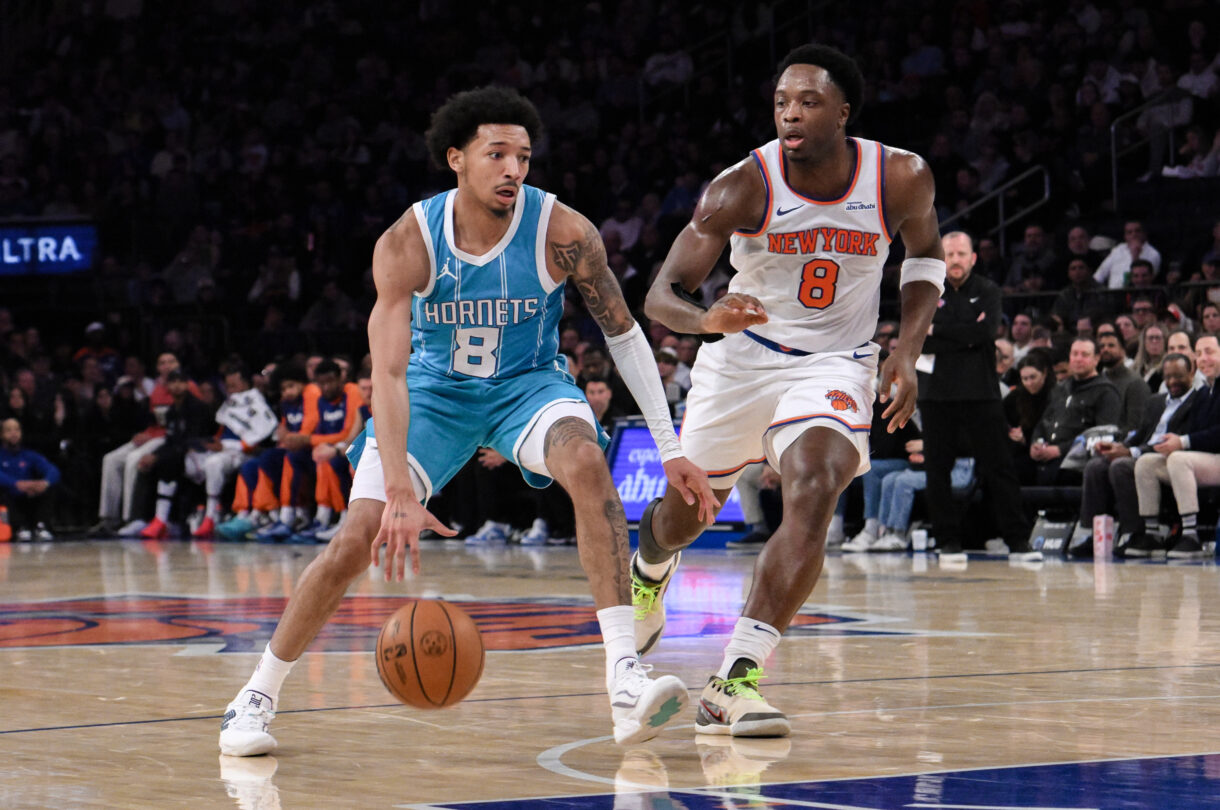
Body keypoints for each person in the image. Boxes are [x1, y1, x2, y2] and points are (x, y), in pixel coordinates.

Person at [219, 86, 714, 756]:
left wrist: (669, 446)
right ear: (456, 158)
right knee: (355, 535)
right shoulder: (407, 241)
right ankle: (255, 695)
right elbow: (388, 375)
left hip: (527, 385)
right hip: (434, 392)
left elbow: (624, 336)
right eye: (497, 154)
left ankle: (625, 680)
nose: (514, 168)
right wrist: (397, 487)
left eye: (524, 156)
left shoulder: (563, 232)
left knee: (587, 463)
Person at [631, 44, 944, 737]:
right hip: (742, 359)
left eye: (806, 102)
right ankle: (651, 565)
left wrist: (908, 345)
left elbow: (925, 256)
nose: (790, 114)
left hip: (836, 361)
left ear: (843, 112)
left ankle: (735, 679)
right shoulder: (743, 185)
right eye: (780, 103)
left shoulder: (900, 177)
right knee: (686, 517)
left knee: (817, 481)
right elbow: (661, 295)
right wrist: (705, 318)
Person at [916, 232, 1039, 561]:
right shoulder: (925, 290)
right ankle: (947, 541)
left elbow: (986, 333)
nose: (955, 259)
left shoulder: (988, 290)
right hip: (936, 396)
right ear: (941, 258)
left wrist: (938, 331)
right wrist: (963, 333)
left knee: (999, 467)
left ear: (973, 257)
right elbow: (918, 339)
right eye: (949, 254)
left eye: (961, 253)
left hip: (981, 393)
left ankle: (1018, 540)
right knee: (937, 471)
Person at [1069, 353, 1198, 557]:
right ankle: (1094, 534)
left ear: (1192, 372)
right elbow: (1140, 434)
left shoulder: (1197, 402)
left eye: (1179, 376)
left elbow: (1174, 442)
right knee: (1097, 465)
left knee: (1121, 465)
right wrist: (1116, 446)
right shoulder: (1156, 401)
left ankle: (1136, 533)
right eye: (1168, 376)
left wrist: (1129, 452)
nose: (1173, 382)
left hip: (1168, 458)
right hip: (1142, 452)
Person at [1127, 334, 1220, 558]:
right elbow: (1199, 433)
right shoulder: (1206, 390)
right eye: (1198, 354)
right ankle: (1152, 534)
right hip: (1207, 460)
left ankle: (1191, 535)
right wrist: (1173, 441)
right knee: (1146, 463)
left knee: (1179, 458)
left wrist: (1183, 442)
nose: (1203, 359)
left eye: (1210, 352)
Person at [1028, 337, 1122, 485]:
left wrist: (1060, 449)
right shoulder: (1060, 388)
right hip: (1047, 455)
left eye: (1084, 355)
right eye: (1075, 354)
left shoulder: (1106, 392)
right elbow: (1043, 422)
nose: (1078, 359)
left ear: (1096, 359)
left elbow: (1104, 435)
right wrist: (1036, 442)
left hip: (1076, 461)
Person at [134, 370, 215, 538]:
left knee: (167, 463)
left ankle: (162, 520)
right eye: (173, 382)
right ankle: (149, 518)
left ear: (188, 384)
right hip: (181, 453)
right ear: (167, 386)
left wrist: (159, 457)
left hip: (200, 455)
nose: (177, 386)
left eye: (181, 381)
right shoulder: (172, 411)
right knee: (148, 464)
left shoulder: (197, 407)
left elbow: (191, 441)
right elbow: (171, 440)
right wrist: (154, 455)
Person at [0, 417, 59, 541]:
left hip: (29, 495)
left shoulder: (29, 455)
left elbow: (52, 470)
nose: (13, 433)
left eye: (17, 429)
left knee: (50, 488)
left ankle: (41, 526)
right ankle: (19, 527)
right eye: (9, 430)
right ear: (2, 434)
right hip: (10, 497)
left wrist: (44, 483)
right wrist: (16, 484)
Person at [1097, 330, 1151, 435]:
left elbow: (1135, 426)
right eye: (1102, 346)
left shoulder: (1135, 383)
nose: (1105, 349)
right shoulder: (1098, 381)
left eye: (1111, 345)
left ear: (1123, 350)